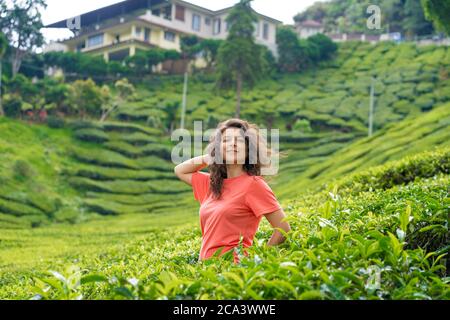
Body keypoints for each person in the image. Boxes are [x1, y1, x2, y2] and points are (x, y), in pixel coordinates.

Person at [174, 118, 291, 264]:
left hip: (232, 270)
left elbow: (283, 228)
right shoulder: (212, 184)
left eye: (240, 140)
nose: (233, 144)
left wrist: (258, 262)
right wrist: (211, 156)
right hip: (206, 271)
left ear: (249, 150)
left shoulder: (254, 185)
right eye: (226, 140)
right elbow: (180, 171)